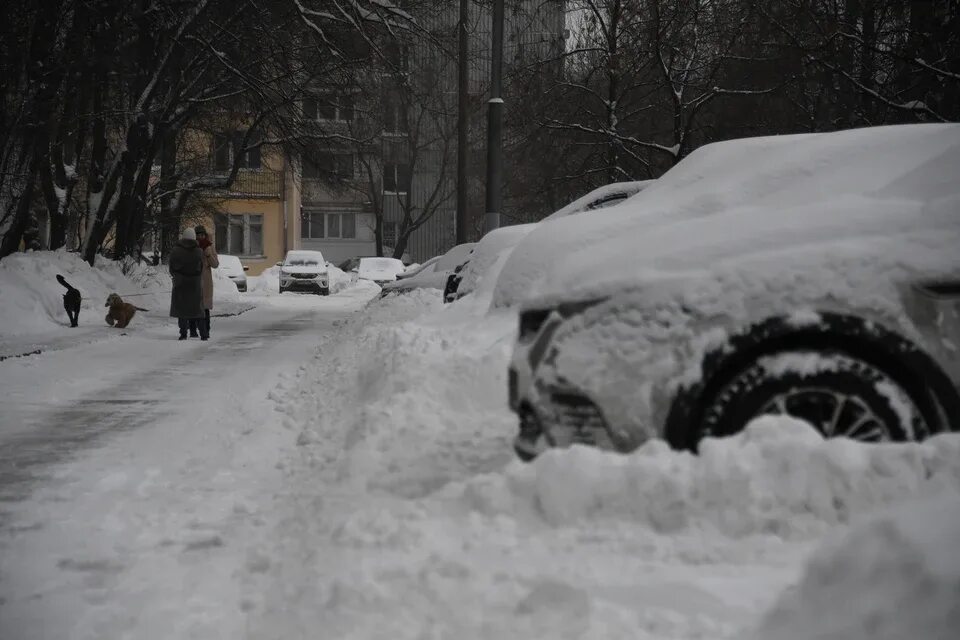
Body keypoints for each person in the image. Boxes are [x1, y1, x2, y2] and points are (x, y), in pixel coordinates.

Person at [169, 227, 206, 340]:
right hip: (195, 284)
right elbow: (201, 268)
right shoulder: (199, 251)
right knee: (198, 310)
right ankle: (203, 334)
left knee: (182, 310)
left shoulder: (175, 251)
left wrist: (177, 276)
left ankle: (183, 333)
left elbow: (171, 268)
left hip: (180, 283)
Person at [190, 225, 219, 338]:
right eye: (198, 235)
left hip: (206, 281)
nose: (200, 237)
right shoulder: (191, 247)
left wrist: (208, 254)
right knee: (193, 307)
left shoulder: (210, 246)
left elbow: (215, 264)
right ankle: (192, 330)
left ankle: (206, 330)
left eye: (202, 235)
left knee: (205, 308)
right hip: (193, 279)